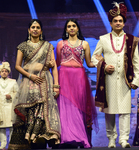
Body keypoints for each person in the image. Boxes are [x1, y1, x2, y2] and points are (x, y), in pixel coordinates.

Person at [91, 2, 139, 148]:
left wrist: (136, 80)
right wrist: (105, 67)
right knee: (110, 111)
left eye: (120, 21)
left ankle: (124, 139)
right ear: (111, 23)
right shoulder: (103, 39)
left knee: (125, 111)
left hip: (126, 81)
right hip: (109, 80)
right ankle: (111, 139)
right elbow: (95, 57)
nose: (118, 23)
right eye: (115, 21)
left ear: (124, 23)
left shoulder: (132, 40)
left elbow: (136, 62)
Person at [8, 19, 61, 149]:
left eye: (38, 27)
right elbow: (17, 66)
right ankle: (29, 138)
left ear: (41, 31)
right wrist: (30, 75)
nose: (35, 29)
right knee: (31, 108)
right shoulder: (23, 46)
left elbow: (53, 66)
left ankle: (41, 137)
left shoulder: (48, 46)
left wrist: (56, 85)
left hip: (45, 80)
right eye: (33, 27)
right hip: (29, 81)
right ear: (29, 30)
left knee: (43, 109)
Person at [56, 18, 98, 148]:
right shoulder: (60, 44)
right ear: (66, 29)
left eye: (74, 26)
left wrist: (100, 62)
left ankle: (80, 137)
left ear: (78, 28)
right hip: (64, 76)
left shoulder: (84, 44)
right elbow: (56, 64)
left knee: (78, 107)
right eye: (69, 26)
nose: (71, 28)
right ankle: (66, 137)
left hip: (79, 77)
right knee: (65, 106)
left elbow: (89, 63)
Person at [0, 62, 18, 149]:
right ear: (0, 72)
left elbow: (17, 94)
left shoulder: (13, 82)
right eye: (2, 71)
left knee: (11, 126)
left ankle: (11, 143)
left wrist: (11, 96)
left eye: (6, 71)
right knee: (1, 126)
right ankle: (3, 144)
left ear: (8, 72)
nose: (4, 72)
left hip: (10, 107)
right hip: (0, 107)